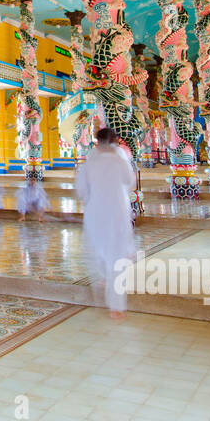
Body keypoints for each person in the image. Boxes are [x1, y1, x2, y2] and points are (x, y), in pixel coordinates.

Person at [74, 127, 137, 318]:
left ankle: (102, 276)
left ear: (96, 141)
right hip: (117, 210)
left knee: (98, 247)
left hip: (95, 211)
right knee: (116, 256)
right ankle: (116, 307)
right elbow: (130, 182)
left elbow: (81, 190)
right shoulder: (120, 160)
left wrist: (90, 200)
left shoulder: (89, 163)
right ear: (115, 140)